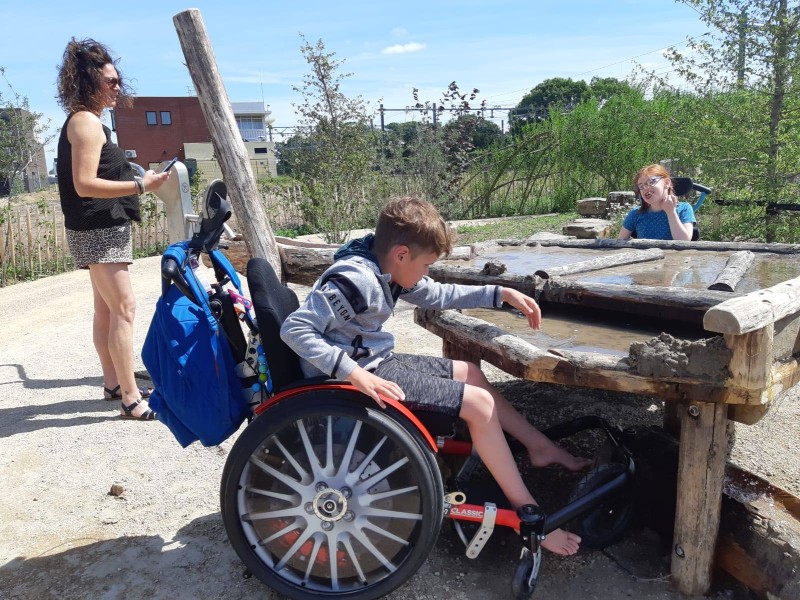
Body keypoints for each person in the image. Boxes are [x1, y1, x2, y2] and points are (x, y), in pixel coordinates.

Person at [280, 196, 591, 556]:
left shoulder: (386, 268)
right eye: (426, 264)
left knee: (470, 373)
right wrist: (352, 373)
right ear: (401, 254)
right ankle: (528, 511)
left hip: (373, 362)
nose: (426, 272)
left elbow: (438, 294)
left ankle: (538, 446)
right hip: (350, 377)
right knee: (479, 403)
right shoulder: (354, 280)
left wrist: (500, 293)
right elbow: (295, 329)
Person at [56, 38, 170, 420]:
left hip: (97, 227)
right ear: (88, 82)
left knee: (105, 309)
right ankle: (131, 399)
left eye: (118, 79)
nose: (117, 86)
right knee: (124, 308)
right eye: (110, 81)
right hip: (99, 229)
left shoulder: (86, 121)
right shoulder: (86, 123)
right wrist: (142, 186)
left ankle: (113, 383)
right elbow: (84, 183)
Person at [618, 164, 695, 241]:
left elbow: (684, 241)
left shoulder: (684, 209)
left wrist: (671, 212)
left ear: (667, 183)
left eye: (651, 182)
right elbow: (619, 242)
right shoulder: (635, 214)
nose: (645, 188)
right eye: (641, 186)